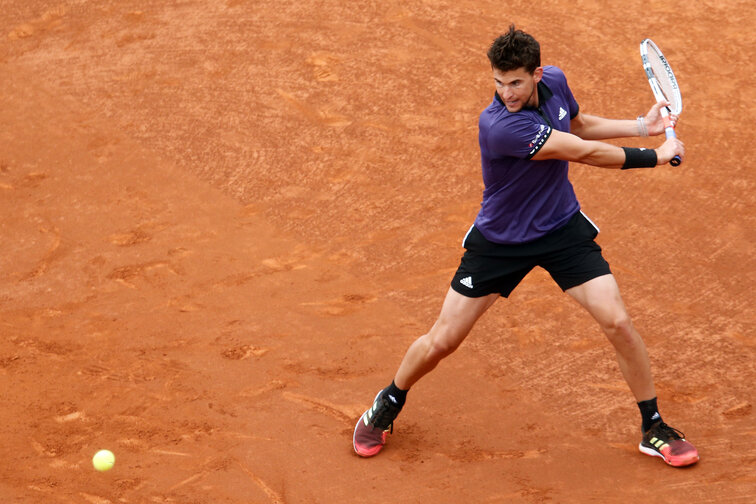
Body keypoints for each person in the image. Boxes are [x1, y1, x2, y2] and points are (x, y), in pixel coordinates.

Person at [352, 25, 699, 468]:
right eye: (498, 82)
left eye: (515, 82)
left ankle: (653, 426)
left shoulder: (554, 81)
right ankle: (389, 400)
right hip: (501, 241)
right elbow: (581, 151)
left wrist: (641, 126)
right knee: (443, 341)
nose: (506, 92)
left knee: (618, 322)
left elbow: (575, 125)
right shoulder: (500, 126)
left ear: (536, 74)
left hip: (559, 227)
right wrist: (657, 155)